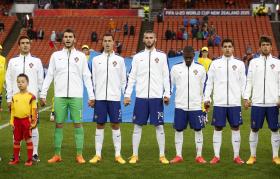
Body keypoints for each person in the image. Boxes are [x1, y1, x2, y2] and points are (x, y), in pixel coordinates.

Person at [40, 28, 95, 164]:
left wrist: (91, 95)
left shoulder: (81, 56)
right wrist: (43, 93)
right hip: (59, 96)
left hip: (76, 97)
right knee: (58, 125)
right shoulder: (56, 56)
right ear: (63, 39)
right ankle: (57, 154)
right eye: (66, 37)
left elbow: (87, 77)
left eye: (71, 36)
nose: (68, 39)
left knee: (78, 125)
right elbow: (50, 76)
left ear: (74, 39)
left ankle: (79, 155)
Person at [124, 30, 170, 164]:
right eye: (146, 38)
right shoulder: (138, 57)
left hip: (156, 98)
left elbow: (166, 76)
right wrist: (127, 95)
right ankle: (134, 155)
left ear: (155, 39)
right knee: (137, 126)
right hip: (141, 97)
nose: (149, 40)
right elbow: (131, 77)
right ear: (143, 40)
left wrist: (166, 94)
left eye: (151, 37)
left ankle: (162, 155)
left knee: (159, 127)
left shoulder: (162, 56)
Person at [204, 38, 246, 164]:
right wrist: (207, 98)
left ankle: (236, 156)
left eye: (229, 46)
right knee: (217, 128)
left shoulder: (239, 64)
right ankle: (216, 156)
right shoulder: (215, 63)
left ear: (233, 48)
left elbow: (243, 83)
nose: (227, 48)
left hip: (234, 102)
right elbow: (209, 82)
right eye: (225, 46)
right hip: (219, 103)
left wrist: (245, 98)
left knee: (235, 127)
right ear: (222, 49)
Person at [89, 33, 127, 164]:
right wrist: (92, 97)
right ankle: (97, 154)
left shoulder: (120, 60)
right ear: (102, 43)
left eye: (109, 41)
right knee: (100, 125)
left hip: (114, 98)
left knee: (115, 124)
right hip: (100, 98)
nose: (107, 43)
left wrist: (125, 95)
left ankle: (118, 154)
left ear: (113, 43)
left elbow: (123, 80)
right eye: (105, 41)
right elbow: (92, 80)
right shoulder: (96, 60)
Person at [6, 35, 44, 162]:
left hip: (31, 101)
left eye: (27, 43)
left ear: (30, 44)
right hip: (16, 101)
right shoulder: (12, 61)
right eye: (22, 43)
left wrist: (40, 96)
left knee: (33, 126)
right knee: (16, 127)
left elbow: (40, 81)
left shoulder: (37, 61)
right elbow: (9, 80)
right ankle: (17, 155)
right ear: (19, 45)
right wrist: (9, 98)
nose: (25, 45)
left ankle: (34, 153)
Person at [244, 36, 280, 165]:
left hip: (273, 103)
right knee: (254, 129)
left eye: (268, 44)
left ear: (271, 47)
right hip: (257, 103)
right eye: (263, 44)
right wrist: (246, 97)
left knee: (275, 129)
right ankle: (252, 156)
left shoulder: (277, 62)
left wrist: (279, 97)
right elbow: (249, 81)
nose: (265, 47)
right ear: (259, 47)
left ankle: (276, 156)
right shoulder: (253, 62)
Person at [169, 46, 207, 164]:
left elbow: (205, 86)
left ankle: (199, 156)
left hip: (196, 105)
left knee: (198, 130)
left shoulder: (200, 69)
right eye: (186, 57)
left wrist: (206, 99)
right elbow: (170, 85)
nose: (188, 59)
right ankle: (178, 155)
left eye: (190, 57)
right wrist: (167, 95)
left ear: (194, 56)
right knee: (178, 130)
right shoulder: (175, 68)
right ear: (183, 56)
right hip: (180, 105)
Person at [8, 74, 37, 166]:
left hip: (26, 121)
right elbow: (12, 110)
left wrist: (33, 122)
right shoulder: (14, 96)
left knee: (28, 140)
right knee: (16, 140)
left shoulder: (31, 96)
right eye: (18, 82)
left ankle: (29, 160)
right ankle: (16, 159)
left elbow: (34, 110)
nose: (20, 84)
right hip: (17, 121)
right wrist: (11, 121)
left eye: (22, 82)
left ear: (27, 83)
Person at [0, 45, 6, 112]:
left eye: (0, 49)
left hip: (1, 78)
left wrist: (4, 80)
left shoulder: (3, 59)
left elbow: (4, 69)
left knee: (0, 93)